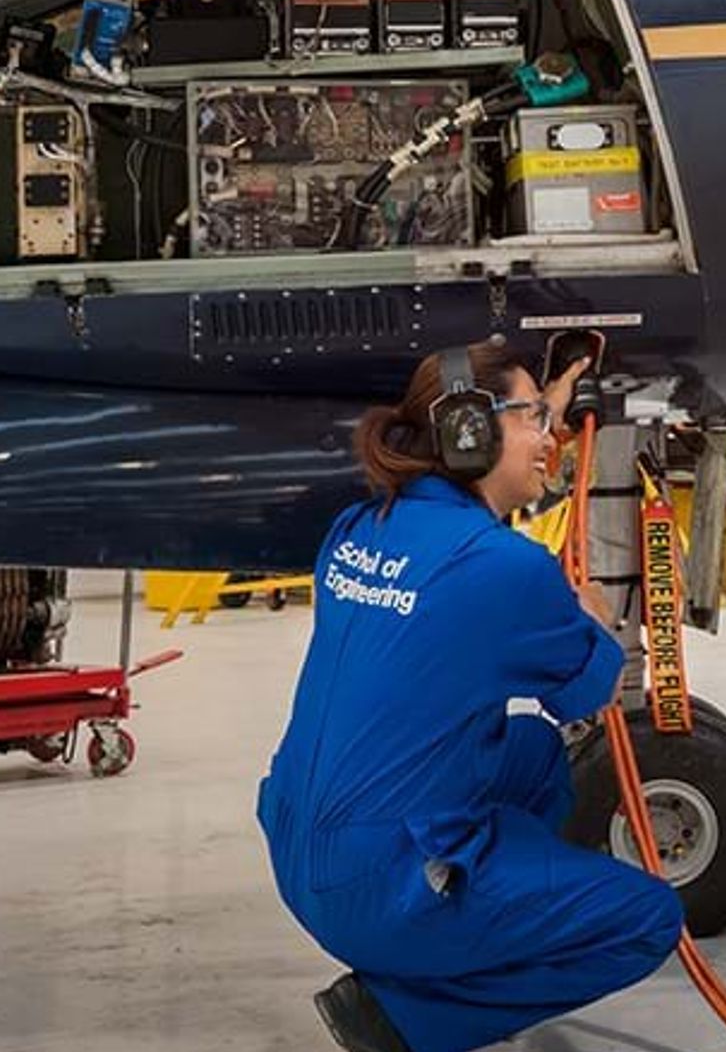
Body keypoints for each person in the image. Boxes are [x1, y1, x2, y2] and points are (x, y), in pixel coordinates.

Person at [258, 341, 682, 1052]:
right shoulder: (506, 568)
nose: (549, 440)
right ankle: (408, 1017)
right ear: (469, 431)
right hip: (375, 891)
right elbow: (592, 689)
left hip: (298, 850)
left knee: (529, 750)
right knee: (649, 918)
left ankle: (477, 912)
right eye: (532, 421)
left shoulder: (359, 527)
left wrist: (555, 391)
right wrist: (595, 618)